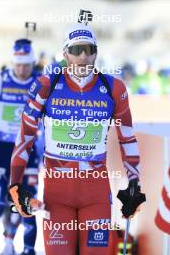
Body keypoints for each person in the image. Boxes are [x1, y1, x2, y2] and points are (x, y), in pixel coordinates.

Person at [9, 23, 144, 255]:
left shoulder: (113, 88)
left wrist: (134, 183)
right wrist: (15, 182)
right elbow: (25, 137)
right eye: (76, 49)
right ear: (65, 54)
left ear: (96, 53)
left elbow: (127, 138)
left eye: (89, 49)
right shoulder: (46, 86)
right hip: (57, 193)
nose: (83, 56)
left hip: (96, 193)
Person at [0, 38, 41, 255]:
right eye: (18, 64)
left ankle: (28, 249)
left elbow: (49, 119)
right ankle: (7, 241)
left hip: (28, 149)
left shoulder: (40, 83)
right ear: (13, 63)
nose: (22, 69)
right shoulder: (1, 79)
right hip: (2, 149)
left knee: (26, 202)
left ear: (33, 63)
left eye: (27, 64)